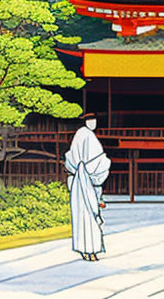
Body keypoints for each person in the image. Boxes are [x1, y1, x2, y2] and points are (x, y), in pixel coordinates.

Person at [64, 112, 111, 261]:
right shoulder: (85, 135)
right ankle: (88, 250)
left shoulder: (85, 136)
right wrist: (103, 165)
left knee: (87, 217)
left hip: (84, 180)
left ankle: (89, 250)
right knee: (87, 217)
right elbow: (92, 161)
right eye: (90, 120)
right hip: (83, 179)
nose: (93, 123)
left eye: (94, 120)